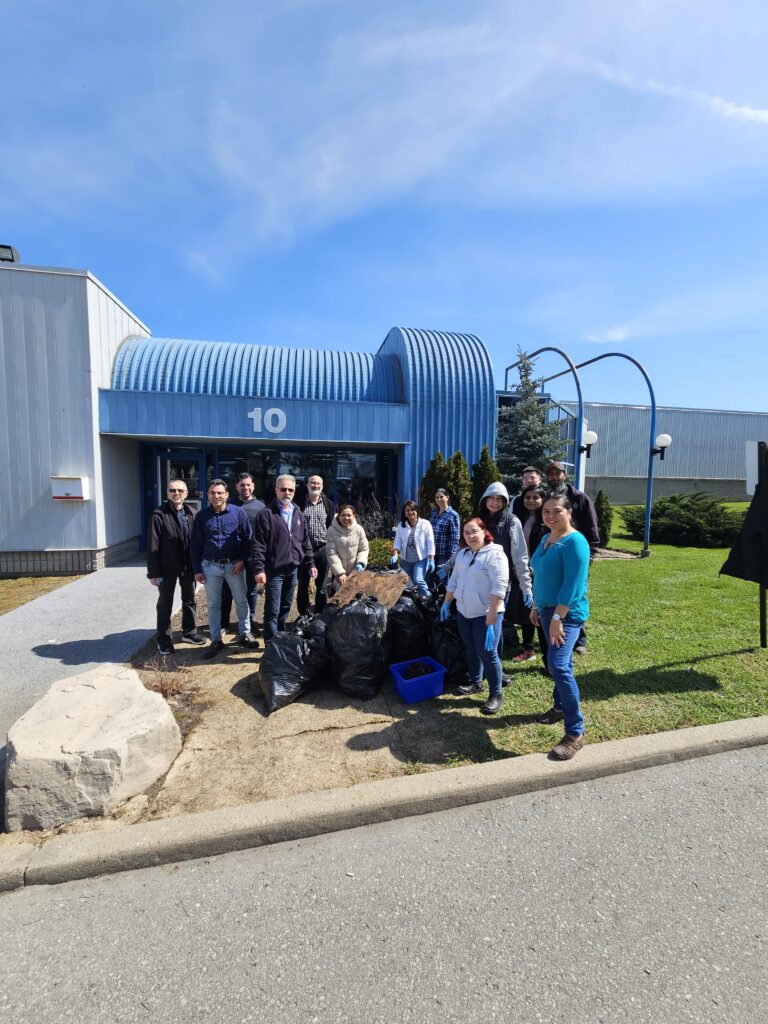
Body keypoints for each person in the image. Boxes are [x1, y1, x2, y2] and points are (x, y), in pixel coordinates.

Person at [529, 493, 591, 760]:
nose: (550, 516)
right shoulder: (546, 538)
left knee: (558, 664)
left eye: (557, 511)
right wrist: (535, 606)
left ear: (569, 512)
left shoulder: (576, 542)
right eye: (546, 512)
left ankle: (576, 732)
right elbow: (539, 574)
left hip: (566, 614)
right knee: (556, 661)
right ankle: (558, 707)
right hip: (544, 610)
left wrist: (557, 618)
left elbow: (574, 586)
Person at [440, 518, 509, 715]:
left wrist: (493, 613)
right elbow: (454, 580)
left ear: (484, 531)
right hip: (464, 611)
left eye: (474, 531)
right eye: (466, 533)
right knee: (471, 648)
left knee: (488, 653)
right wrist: (447, 602)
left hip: (485, 614)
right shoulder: (462, 555)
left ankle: (496, 694)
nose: (470, 536)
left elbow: (500, 585)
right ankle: (476, 682)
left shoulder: (494, 555)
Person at [191, 479, 258, 660]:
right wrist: (197, 569)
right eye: (213, 493)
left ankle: (245, 633)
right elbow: (196, 544)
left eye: (220, 493)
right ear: (209, 495)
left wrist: (243, 560)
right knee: (213, 604)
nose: (217, 496)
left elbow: (247, 539)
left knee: (241, 600)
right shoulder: (202, 516)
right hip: (210, 566)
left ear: (227, 494)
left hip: (234, 565)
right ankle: (215, 639)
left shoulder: (238, 513)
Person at [477, 482, 533, 680]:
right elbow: (466, 547)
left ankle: (496, 670)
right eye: (491, 499)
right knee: (485, 626)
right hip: (479, 580)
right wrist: (449, 566)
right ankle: (485, 667)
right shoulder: (479, 520)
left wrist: (526, 587)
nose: (494, 503)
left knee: (495, 627)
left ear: (505, 502)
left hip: (501, 584)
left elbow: (520, 557)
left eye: (499, 499)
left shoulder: (512, 521)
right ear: (484, 500)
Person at [252, 474, 317, 642]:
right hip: (274, 570)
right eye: (283, 489)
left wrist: (310, 563)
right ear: (276, 491)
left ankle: (279, 638)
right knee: (272, 609)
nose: (286, 492)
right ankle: (270, 644)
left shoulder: (298, 513)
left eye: (290, 490)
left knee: (286, 606)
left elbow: (305, 541)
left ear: (294, 492)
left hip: (293, 569)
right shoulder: (266, 514)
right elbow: (258, 544)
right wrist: (259, 569)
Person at [545, 460, 600, 655]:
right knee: (556, 593)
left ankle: (579, 639)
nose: (554, 477)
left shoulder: (579, 498)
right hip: (554, 555)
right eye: (550, 474)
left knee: (575, 595)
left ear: (564, 475)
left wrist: (589, 558)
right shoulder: (547, 498)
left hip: (575, 555)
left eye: (557, 473)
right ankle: (555, 629)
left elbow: (592, 531)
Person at [146, 479, 204, 655]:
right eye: (173, 490)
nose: (176, 493)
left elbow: (197, 543)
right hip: (166, 568)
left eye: (180, 490)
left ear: (186, 494)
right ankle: (164, 639)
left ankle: (189, 632)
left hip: (188, 567)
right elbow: (153, 546)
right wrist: (153, 573)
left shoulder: (192, 513)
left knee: (189, 599)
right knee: (165, 603)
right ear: (167, 493)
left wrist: (198, 568)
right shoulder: (159, 515)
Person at [220, 473, 265, 636]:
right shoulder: (228, 505)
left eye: (248, 485)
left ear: (253, 486)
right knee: (227, 591)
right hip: (231, 558)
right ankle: (223, 623)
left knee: (251, 592)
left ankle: (250, 621)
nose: (245, 488)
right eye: (242, 485)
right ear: (236, 487)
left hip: (252, 557)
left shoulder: (261, 507)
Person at [512, 484, 550, 665]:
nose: (531, 501)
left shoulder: (548, 522)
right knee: (526, 612)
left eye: (536, 497)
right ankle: (527, 648)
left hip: (541, 574)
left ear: (543, 500)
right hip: (523, 572)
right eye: (528, 497)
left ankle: (548, 657)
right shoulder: (519, 518)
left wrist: (537, 567)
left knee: (541, 613)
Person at [295, 474, 334, 615]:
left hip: (323, 549)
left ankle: (319, 615)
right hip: (304, 551)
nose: (315, 486)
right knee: (303, 585)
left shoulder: (327, 503)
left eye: (318, 483)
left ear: (322, 486)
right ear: (307, 485)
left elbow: (330, 525)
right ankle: (303, 615)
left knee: (322, 587)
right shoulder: (298, 503)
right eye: (313, 483)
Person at [391, 500, 435, 599]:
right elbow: (397, 542)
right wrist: (395, 554)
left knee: (418, 580)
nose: (410, 512)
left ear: (417, 510)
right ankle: (409, 602)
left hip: (420, 560)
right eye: (407, 510)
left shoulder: (425, 524)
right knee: (403, 582)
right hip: (405, 560)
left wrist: (431, 559)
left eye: (413, 509)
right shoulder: (401, 525)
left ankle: (428, 600)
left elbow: (430, 542)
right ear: (404, 513)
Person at [326, 504, 369, 591]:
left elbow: (363, 549)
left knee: (354, 598)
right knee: (337, 599)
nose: (346, 518)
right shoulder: (331, 530)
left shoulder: (359, 529)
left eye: (349, 515)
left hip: (355, 572)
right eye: (343, 515)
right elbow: (331, 553)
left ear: (354, 516)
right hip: (338, 574)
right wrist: (340, 573)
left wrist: (360, 563)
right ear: (338, 516)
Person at [428, 488, 460, 572]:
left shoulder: (453, 515)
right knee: (428, 578)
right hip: (431, 552)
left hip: (444, 554)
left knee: (442, 580)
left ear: (447, 497)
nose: (439, 499)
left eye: (441, 497)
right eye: (436, 497)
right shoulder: (433, 513)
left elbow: (455, 537)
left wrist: (452, 556)